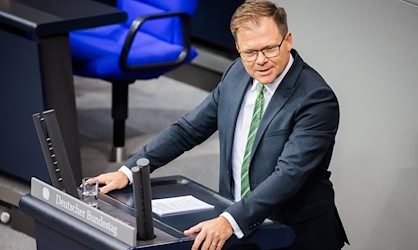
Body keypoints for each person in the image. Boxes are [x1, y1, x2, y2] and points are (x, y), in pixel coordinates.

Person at [94, 0, 349, 249]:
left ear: (288, 40)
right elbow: (188, 130)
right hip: (239, 223)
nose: (260, 60)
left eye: (270, 48)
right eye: (249, 52)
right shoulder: (237, 73)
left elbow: (289, 174)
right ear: (238, 47)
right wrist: (128, 172)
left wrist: (230, 220)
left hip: (293, 233)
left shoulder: (315, 99)